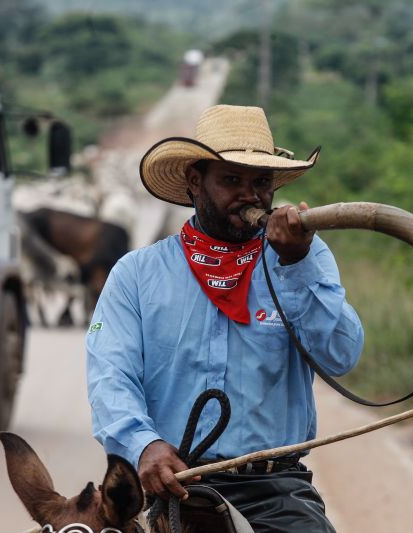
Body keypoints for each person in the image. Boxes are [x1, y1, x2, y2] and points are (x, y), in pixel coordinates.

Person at [86, 104, 364, 532]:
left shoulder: (303, 257)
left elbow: (341, 355)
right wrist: (144, 447)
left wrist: (296, 266)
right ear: (195, 183)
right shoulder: (137, 274)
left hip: (275, 490)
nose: (250, 195)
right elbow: (110, 377)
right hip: (171, 488)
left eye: (261, 182)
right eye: (232, 180)